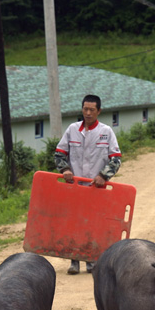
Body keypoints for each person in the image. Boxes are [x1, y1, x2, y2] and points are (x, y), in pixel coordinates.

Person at [53, 94, 122, 274]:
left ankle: (92, 261)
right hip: (74, 188)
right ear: (82, 109)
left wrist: (103, 176)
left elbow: (116, 159)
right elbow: (59, 154)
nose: (88, 113)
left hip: (96, 188)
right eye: (85, 109)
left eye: (92, 110)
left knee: (93, 224)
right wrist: (65, 170)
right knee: (74, 224)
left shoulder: (106, 132)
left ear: (99, 111)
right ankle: (74, 262)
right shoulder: (72, 130)